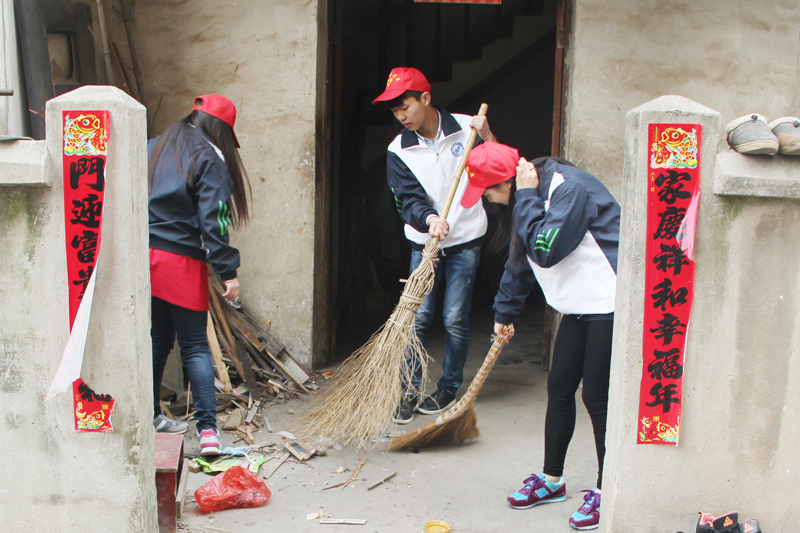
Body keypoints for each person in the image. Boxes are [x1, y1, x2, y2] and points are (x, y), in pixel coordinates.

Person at [462, 141, 619, 531]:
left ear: (508, 181)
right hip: (579, 305)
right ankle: (552, 480)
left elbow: (545, 249)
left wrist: (527, 195)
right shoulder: (525, 198)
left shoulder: (567, 190)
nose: (490, 201)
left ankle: (609, 490)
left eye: (489, 192)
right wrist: (504, 311)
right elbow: (522, 257)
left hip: (611, 301)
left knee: (597, 397)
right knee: (560, 388)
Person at [372, 67, 496, 424]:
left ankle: (448, 386)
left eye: (405, 106)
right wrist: (428, 219)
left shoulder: (465, 128)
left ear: (425, 99)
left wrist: (487, 136)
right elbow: (405, 199)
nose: (401, 115)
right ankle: (408, 391)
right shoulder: (399, 149)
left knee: (455, 317)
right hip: (425, 242)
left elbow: (495, 166)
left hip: (467, 238)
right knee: (418, 316)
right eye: (394, 111)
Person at [148, 94, 250, 456]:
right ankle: (208, 431)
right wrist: (228, 271)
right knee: (194, 345)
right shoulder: (209, 156)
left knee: (157, 339)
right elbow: (214, 221)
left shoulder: (155, 145)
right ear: (220, 128)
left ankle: (149, 417)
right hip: (181, 260)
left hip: (143, 256)